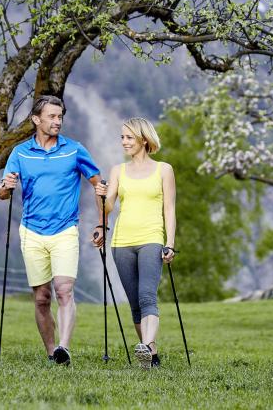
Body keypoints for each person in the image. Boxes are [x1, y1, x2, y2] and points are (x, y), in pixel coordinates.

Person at [0, 95, 101, 366]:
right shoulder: (20, 153)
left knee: (64, 290)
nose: (57, 122)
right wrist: (6, 186)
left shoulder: (74, 150)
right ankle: (51, 351)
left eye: (60, 117)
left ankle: (64, 348)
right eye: (52, 117)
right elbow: (2, 193)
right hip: (31, 231)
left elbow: (98, 182)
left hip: (65, 229)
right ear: (36, 120)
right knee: (42, 297)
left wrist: (102, 221)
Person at [92, 117, 176, 369]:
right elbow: (107, 209)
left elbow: (169, 209)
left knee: (147, 295)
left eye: (129, 137)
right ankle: (151, 355)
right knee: (135, 304)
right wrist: (100, 196)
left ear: (144, 139)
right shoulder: (118, 170)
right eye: (122, 137)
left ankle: (146, 346)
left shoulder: (164, 170)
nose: (124, 142)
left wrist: (169, 243)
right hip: (121, 242)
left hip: (151, 238)